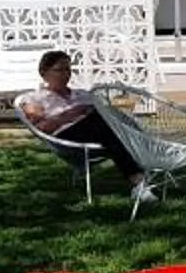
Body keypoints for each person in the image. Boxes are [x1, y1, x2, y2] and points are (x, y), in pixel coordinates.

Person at [16, 50, 154, 204]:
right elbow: (43, 127)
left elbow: (107, 109)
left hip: (98, 130)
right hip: (67, 135)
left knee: (111, 123)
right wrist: (73, 113)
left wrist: (123, 100)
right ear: (44, 73)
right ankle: (145, 172)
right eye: (59, 70)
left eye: (68, 69)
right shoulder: (34, 98)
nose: (65, 74)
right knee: (102, 123)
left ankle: (140, 181)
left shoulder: (82, 94)